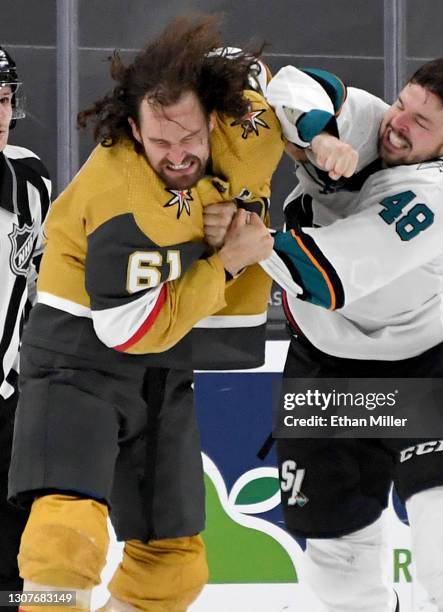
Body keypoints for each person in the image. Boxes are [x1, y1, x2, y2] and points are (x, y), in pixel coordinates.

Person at [8, 15, 281, 612]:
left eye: (190, 139)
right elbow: (125, 328)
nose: (178, 155)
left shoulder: (243, 131)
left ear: (214, 118)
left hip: (165, 370)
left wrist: (319, 141)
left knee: (174, 570)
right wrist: (228, 259)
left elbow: (286, 88)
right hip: (79, 363)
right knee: (66, 539)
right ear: (133, 130)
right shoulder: (119, 198)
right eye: (159, 142)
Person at [250, 59, 443, 611]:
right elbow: (293, 86)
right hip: (326, 364)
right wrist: (319, 135)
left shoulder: (437, 197)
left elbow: (319, 276)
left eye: (422, 122)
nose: (399, 124)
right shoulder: (378, 120)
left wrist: (239, 233)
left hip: (426, 366)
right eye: (403, 104)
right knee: (336, 569)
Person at [0, 46, 51, 597]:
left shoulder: (30, 178)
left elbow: (43, 282)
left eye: (4, 99)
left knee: (16, 576)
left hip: (8, 405)